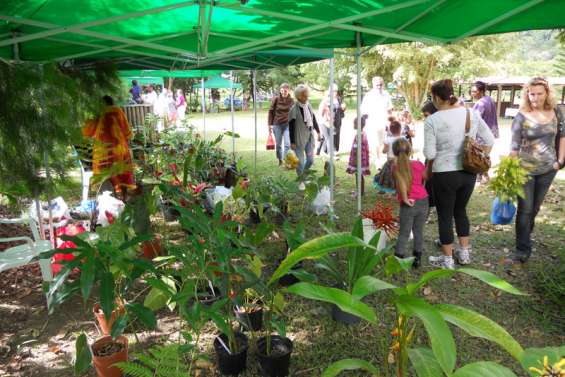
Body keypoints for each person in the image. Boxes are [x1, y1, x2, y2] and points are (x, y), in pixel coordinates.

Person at [424, 79, 495, 269]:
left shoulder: (432, 120)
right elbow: (489, 139)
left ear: (437, 97)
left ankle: (447, 260)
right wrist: (477, 157)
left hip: (444, 174)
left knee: (445, 215)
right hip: (468, 172)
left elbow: (430, 154)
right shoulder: (470, 114)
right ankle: (464, 254)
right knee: (461, 211)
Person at [508, 77, 565, 265]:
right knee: (525, 210)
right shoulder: (521, 115)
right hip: (524, 170)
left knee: (535, 208)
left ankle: (525, 235)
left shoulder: (557, 111)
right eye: (532, 94)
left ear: (547, 93)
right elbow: (514, 146)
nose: (535, 97)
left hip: (548, 169)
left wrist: (560, 161)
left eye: (539, 93)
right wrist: (512, 171)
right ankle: (522, 248)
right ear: (527, 94)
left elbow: (563, 136)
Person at [82, 96, 135, 200]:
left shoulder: (98, 112)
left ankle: (107, 199)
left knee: (105, 174)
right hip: (119, 149)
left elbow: (87, 132)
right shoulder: (118, 111)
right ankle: (123, 198)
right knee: (122, 173)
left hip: (103, 150)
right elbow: (127, 132)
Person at [392, 138, 428, 269]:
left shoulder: (396, 167)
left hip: (409, 203)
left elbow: (401, 182)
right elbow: (425, 177)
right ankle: (417, 259)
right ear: (410, 150)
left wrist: (406, 198)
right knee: (418, 231)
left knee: (404, 233)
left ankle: (398, 260)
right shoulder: (418, 164)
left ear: (394, 152)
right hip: (424, 200)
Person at [289, 84, 320, 189]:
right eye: (305, 95)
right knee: (300, 162)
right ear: (299, 97)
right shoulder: (294, 109)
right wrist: (292, 142)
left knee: (310, 160)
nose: (307, 97)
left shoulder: (308, 105)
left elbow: (313, 119)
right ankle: (301, 181)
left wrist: (318, 132)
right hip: (299, 138)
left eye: (307, 95)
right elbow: (291, 126)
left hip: (309, 137)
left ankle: (304, 176)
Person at [472, 81, 499, 183]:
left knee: (478, 157)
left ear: (482, 91)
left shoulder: (480, 103)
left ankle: (481, 177)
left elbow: (474, 121)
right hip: (490, 134)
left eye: (475, 91)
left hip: (482, 135)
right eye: (472, 91)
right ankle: (484, 176)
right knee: (485, 156)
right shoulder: (490, 100)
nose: (472, 94)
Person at [361, 76, 393, 161]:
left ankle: (381, 158)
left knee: (382, 142)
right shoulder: (368, 95)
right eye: (377, 85)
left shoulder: (386, 94)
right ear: (373, 85)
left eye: (380, 85)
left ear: (383, 84)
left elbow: (390, 109)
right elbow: (363, 110)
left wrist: (390, 121)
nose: (379, 87)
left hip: (384, 122)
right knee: (375, 143)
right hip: (372, 123)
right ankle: (378, 160)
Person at [268, 83, 294, 165]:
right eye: (282, 91)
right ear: (280, 90)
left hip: (287, 124)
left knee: (287, 144)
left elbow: (294, 113)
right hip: (277, 124)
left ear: (288, 91)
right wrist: (269, 125)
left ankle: (284, 160)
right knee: (278, 145)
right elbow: (271, 111)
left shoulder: (291, 100)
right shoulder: (276, 99)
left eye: (285, 91)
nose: (283, 92)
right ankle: (280, 159)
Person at [374, 118, 402, 193]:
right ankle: (398, 190)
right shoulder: (403, 139)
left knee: (386, 176)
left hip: (390, 161)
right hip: (401, 161)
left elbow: (384, 151)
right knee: (399, 176)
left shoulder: (388, 139)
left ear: (390, 130)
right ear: (400, 129)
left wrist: (384, 150)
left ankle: (384, 189)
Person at [317, 84, 346, 156]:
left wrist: (344, 108)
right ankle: (329, 151)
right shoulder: (326, 100)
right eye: (333, 91)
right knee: (329, 136)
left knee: (335, 135)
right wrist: (325, 121)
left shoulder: (339, 99)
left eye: (336, 91)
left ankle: (334, 150)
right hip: (327, 121)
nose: (335, 93)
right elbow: (321, 113)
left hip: (337, 120)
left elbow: (342, 109)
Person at [421, 101, 438, 218]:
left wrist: (428, 167)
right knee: (428, 186)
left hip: (435, 161)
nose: (425, 119)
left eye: (427, 115)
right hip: (430, 159)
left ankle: (431, 208)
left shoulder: (435, 125)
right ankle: (429, 207)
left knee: (432, 185)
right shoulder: (430, 124)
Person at [346, 115, 370, 197]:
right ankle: (360, 191)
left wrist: (355, 159)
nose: (353, 125)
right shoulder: (362, 133)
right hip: (360, 158)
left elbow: (358, 147)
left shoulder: (360, 134)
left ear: (358, 125)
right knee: (359, 175)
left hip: (358, 159)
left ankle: (359, 193)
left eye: (354, 124)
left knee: (358, 175)